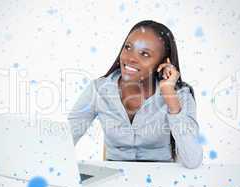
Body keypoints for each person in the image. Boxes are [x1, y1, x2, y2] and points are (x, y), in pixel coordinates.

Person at [67, 20, 203, 169]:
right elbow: (66, 140)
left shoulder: (180, 95)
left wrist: (170, 96)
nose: (130, 58)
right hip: (113, 179)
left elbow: (193, 160)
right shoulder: (99, 90)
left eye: (144, 54)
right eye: (128, 47)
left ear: (163, 62)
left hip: (162, 179)